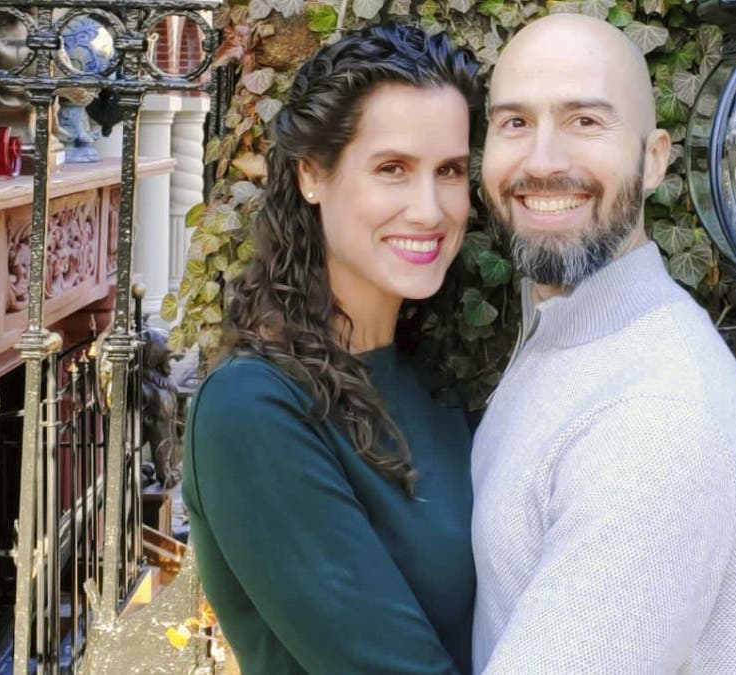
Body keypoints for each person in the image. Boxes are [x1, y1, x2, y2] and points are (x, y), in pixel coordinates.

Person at [470, 14, 736, 674]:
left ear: (655, 158)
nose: (542, 160)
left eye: (585, 121)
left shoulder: (659, 422)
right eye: (514, 122)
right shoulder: (568, 336)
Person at [182, 24, 482, 675]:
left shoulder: (436, 377)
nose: (429, 210)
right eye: (392, 169)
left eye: (449, 171)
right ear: (312, 174)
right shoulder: (253, 410)